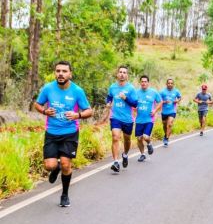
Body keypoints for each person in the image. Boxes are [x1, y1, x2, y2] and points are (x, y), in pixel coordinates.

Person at [34, 61, 93, 207]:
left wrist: (77, 115)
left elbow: (89, 111)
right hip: (52, 132)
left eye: (64, 71)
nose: (61, 73)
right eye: (58, 71)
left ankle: (64, 194)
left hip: (70, 133)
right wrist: (44, 111)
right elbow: (37, 104)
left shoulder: (77, 91)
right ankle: (56, 167)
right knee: (49, 166)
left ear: (70, 74)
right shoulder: (48, 88)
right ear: (55, 73)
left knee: (67, 165)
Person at [106, 65, 138, 173]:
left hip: (128, 119)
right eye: (120, 72)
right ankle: (115, 162)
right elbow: (109, 96)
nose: (122, 74)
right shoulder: (112, 87)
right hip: (115, 117)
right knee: (115, 137)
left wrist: (126, 98)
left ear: (127, 76)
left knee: (127, 139)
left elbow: (135, 103)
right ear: (117, 74)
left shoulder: (131, 88)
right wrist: (108, 103)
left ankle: (125, 154)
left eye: (124, 72)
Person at [135, 75, 162, 162]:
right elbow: (132, 103)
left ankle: (149, 143)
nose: (143, 83)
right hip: (139, 120)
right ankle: (142, 154)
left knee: (146, 137)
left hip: (149, 119)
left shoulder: (153, 92)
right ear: (140, 83)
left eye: (145, 81)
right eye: (142, 81)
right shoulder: (136, 93)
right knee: (139, 139)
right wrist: (134, 109)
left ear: (148, 83)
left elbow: (160, 102)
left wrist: (155, 110)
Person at [159, 78, 181, 146]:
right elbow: (158, 101)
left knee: (170, 124)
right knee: (165, 125)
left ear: (173, 84)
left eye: (171, 83)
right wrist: (165, 102)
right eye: (169, 83)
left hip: (172, 111)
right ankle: (166, 134)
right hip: (164, 112)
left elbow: (180, 97)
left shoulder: (176, 91)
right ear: (166, 84)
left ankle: (166, 138)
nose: (170, 84)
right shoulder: (162, 92)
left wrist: (177, 101)